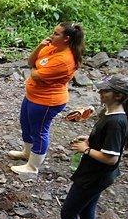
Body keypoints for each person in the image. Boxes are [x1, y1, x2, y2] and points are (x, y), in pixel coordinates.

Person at [40, 75, 128, 219]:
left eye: (105, 90)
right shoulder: (111, 113)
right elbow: (108, 143)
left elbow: (111, 157)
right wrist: (90, 139)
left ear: (118, 95)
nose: (100, 92)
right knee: (87, 210)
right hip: (99, 175)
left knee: (68, 211)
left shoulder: (116, 121)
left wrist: (85, 149)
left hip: (94, 176)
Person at [10, 22, 84, 177]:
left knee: (39, 131)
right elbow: (31, 62)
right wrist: (39, 47)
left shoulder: (64, 59)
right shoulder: (51, 47)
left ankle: (32, 167)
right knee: (26, 125)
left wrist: (35, 70)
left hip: (47, 101)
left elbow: (35, 74)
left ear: (67, 38)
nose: (52, 35)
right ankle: (27, 153)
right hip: (33, 95)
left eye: (57, 34)